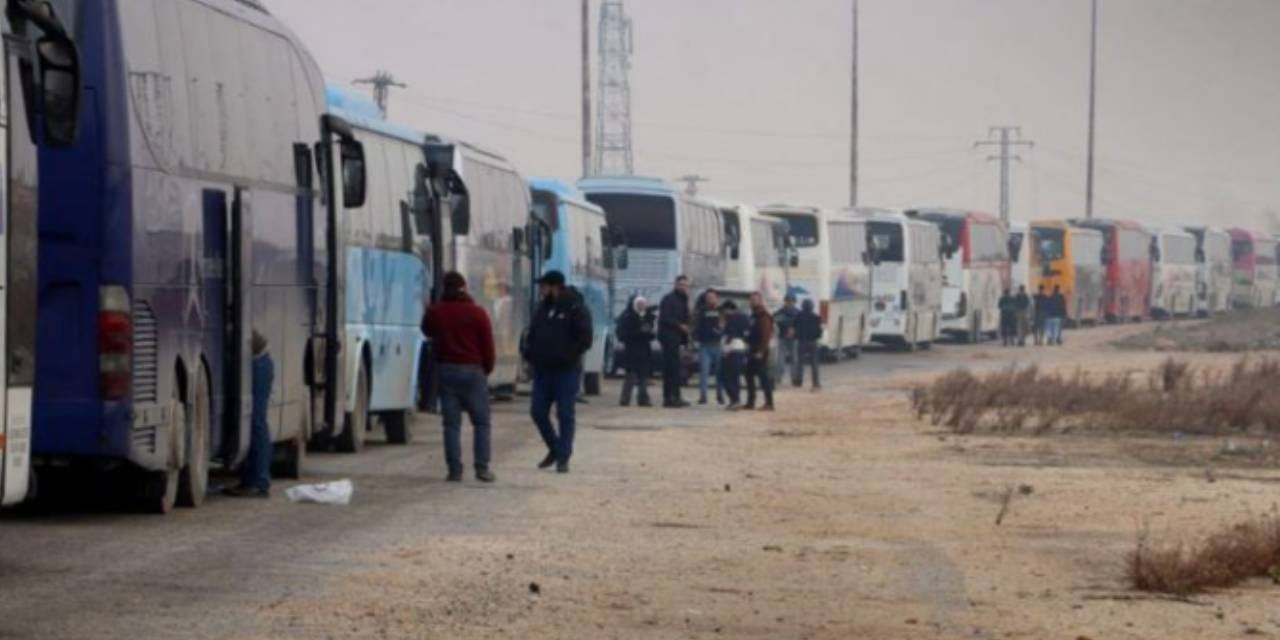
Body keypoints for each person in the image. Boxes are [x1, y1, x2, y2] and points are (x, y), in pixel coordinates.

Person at [423, 272, 497, 483]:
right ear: (465, 288)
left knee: (451, 425)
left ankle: (455, 470)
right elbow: (488, 346)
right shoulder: (478, 313)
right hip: (473, 372)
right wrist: (486, 369)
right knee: (481, 422)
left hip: (446, 371)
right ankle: (482, 468)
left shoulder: (436, 312)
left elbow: (426, 330)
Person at [523, 270, 594, 474]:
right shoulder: (542, 308)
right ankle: (555, 448)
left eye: (544, 286)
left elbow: (585, 338)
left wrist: (567, 355)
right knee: (537, 412)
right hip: (543, 370)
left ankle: (563, 457)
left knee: (564, 413)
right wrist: (529, 353)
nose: (541, 289)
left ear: (555, 286)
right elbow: (532, 333)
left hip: (566, 371)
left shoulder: (575, 307)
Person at [224, 331, 274, 497]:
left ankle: (259, 482)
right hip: (258, 360)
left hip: (258, 361)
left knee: (256, 423)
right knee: (253, 423)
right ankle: (252, 480)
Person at [658, 275, 692, 408]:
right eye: (681, 285)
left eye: (686, 285)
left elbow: (686, 317)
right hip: (669, 338)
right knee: (671, 369)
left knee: (676, 368)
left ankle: (675, 396)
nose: (684, 287)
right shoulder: (669, 299)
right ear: (676, 285)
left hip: (677, 339)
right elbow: (665, 318)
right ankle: (670, 398)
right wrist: (680, 326)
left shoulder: (684, 299)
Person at [616, 295, 655, 407]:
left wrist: (649, 333)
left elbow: (651, 335)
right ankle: (625, 399)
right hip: (631, 350)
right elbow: (622, 335)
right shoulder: (627, 317)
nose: (642, 306)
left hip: (644, 350)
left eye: (643, 304)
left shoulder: (648, 317)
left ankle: (643, 399)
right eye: (639, 304)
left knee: (643, 376)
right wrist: (639, 332)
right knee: (630, 376)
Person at [745, 293, 776, 411]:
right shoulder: (753, 316)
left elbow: (766, 335)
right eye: (751, 300)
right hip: (752, 350)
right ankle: (750, 402)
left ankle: (769, 403)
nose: (752, 302)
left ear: (760, 301)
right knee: (749, 375)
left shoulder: (764, 316)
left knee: (763, 377)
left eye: (755, 300)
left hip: (760, 351)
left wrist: (761, 351)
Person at [694, 289, 725, 405]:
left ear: (716, 298)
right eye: (708, 297)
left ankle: (720, 395)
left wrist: (721, 329)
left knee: (720, 372)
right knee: (704, 372)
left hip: (718, 345)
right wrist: (695, 338)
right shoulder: (701, 311)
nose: (710, 299)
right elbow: (696, 325)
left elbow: (724, 325)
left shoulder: (721, 311)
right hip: (704, 345)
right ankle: (703, 396)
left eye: (712, 297)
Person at [720, 301, 750, 411]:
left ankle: (735, 400)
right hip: (740, 350)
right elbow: (746, 334)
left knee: (727, 377)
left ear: (727, 310)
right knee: (735, 377)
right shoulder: (744, 317)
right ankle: (735, 400)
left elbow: (730, 335)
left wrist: (725, 350)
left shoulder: (732, 319)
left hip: (732, 350)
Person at [794, 298, 823, 391]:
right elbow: (819, 332)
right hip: (813, 342)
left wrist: (797, 336)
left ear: (802, 306)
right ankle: (815, 383)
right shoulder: (816, 317)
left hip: (801, 341)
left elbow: (795, 328)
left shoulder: (798, 316)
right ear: (812, 307)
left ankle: (798, 381)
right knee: (814, 363)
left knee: (800, 362)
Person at [774, 294, 801, 386]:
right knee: (783, 359)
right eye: (788, 301)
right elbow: (775, 320)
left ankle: (790, 378)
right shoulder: (796, 312)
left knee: (791, 359)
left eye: (791, 301)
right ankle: (780, 377)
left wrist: (791, 328)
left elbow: (776, 320)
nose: (789, 303)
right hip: (786, 337)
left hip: (789, 337)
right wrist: (791, 328)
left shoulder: (782, 312)